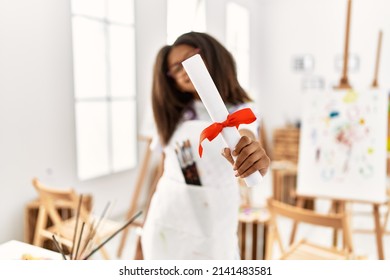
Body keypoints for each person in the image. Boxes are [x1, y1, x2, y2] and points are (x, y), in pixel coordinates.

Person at [141, 31, 270, 260]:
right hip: (166, 216)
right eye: (176, 68)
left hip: (213, 221)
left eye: (190, 58)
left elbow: (245, 134)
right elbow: (164, 169)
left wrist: (249, 152)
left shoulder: (240, 109)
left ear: (212, 55)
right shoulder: (172, 114)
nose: (184, 70)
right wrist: (143, 225)